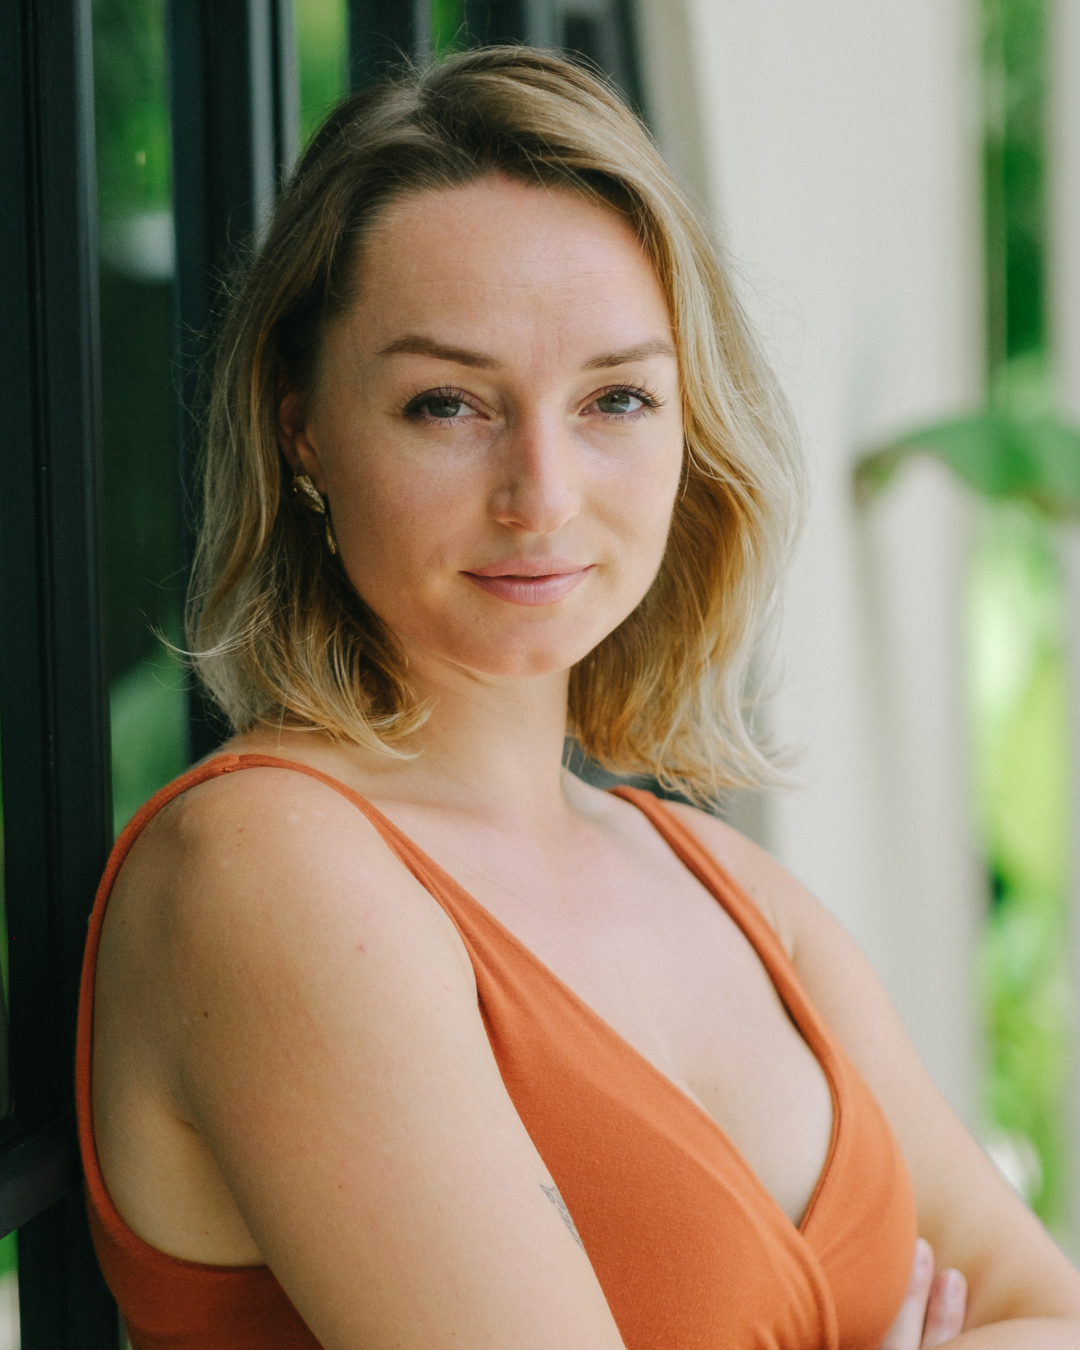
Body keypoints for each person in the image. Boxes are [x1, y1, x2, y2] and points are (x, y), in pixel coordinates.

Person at [77, 46, 1080, 1350]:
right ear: (303, 430)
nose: (542, 491)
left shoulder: (723, 880)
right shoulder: (269, 872)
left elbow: (1043, 1304)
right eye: (447, 403)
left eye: (614, 396)